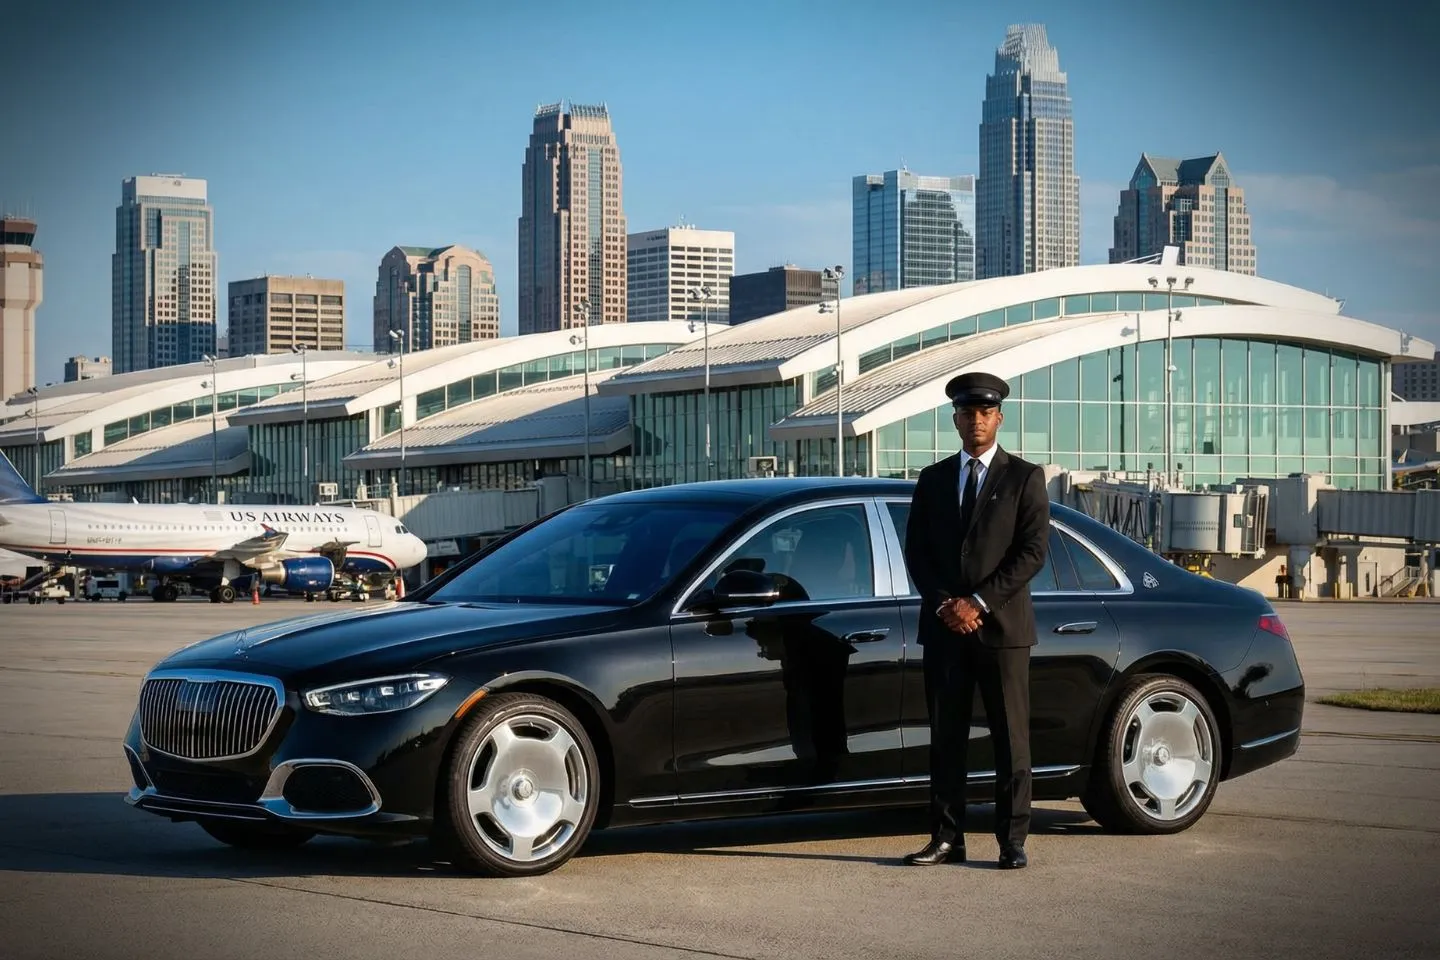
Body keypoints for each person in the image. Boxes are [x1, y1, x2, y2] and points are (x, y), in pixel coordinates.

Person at [901, 371, 1050, 870]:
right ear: (955, 419)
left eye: (985, 413)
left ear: (999, 418)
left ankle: (1012, 842)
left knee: (1011, 740)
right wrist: (947, 603)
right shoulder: (933, 478)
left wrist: (979, 603)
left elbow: (1032, 554)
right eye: (967, 413)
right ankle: (947, 838)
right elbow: (916, 553)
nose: (976, 420)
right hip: (945, 630)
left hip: (1002, 630)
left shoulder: (1024, 478)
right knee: (946, 739)